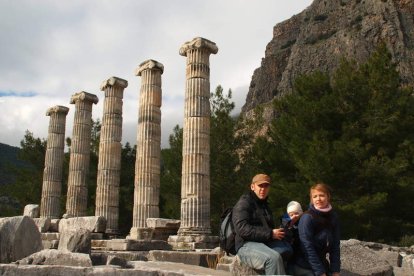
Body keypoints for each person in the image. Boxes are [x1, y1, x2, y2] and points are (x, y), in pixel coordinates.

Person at [232, 173, 287, 275]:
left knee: (288, 250)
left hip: (262, 242)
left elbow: (268, 227)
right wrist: (270, 233)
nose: (263, 189)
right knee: (273, 258)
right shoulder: (244, 203)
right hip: (245, 244)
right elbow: (242, 229)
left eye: (266, 186)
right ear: (252, 187)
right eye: (260, 186)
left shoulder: (264, 205)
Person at [293, 183, 341, 276]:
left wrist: (335, 271)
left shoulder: (333, 217)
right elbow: (307, 247)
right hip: (304, 266)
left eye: (321, 195)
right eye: (315, 196)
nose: (318, 199)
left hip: (321, 264)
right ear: (311, 199)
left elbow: (335, 246)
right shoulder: (307, 217)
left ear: (328, 196)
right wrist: (320, 272)